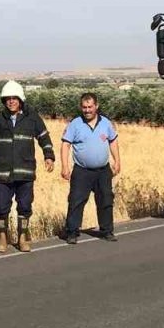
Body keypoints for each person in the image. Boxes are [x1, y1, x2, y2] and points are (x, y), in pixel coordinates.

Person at [0, 80, 55, 253]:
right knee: (1, 206)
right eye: (7, 98)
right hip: (3, 173)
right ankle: (3, 236)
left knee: (25, 206)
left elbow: (44, 138)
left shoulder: (32, 118)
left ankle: (22, 237)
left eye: (14, 98)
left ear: (21, 99)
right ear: (4, 101)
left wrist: (49, 156)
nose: (11, 101)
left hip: (25, 172)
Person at [60, 92, 121, 244]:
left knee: (106, 200)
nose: (87, 110)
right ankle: (72, 232)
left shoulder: (106, 123)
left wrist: (117, 161)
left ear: (96, 106)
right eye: (84, 107)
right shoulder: (75, 124)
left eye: (90, 107)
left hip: (103, 170)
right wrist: (65, 166)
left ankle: (107, 231)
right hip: (82, 171)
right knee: (76, 201)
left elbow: (113, 142)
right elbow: (65, 145)